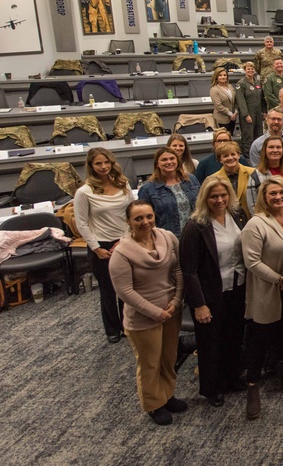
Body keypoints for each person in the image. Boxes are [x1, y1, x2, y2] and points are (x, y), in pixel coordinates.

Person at [109, 200, 185, 426]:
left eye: (149, 216)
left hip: (171, 309)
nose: (145, 222)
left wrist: (177, 301)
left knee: (168, 357)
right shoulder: (121, 253)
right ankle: (154, 404)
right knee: (149, 363)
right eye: (138, 218)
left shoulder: (168, 237)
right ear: (129, 222)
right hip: (143, 317)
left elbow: (179, 269)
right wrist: (155, 312)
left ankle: (168, 395)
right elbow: (125, 291)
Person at [179, 176, 248, 408]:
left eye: (223, 195)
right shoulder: (196, 225)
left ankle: (231, 378)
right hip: (210, 295)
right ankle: (212, 388)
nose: (219, 200)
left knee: (233, 338)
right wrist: (199, 304)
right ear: (204, 198)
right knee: (210, 344)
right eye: (214, 196)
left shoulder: (237, 216)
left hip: (237, 288)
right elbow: (189, 270)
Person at [242, 177, 283, 420]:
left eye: (282, 192)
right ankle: (252, 387)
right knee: (260, 338)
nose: (278, 197)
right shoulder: (255, 224)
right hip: (269, 288)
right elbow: (252, 262)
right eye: (272, 194)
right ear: (264, 197)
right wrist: (281, 279)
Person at [75, 148, 134, 343]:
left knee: (127, 288)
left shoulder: (123, 184)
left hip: (124, 241)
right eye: (98, 163)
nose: (103, 166)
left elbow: (131, 214)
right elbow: (81, 223)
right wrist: (96, 248)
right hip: (101, 246)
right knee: (108, 290)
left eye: (106, 162)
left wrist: (124, 240)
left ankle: (128, 325)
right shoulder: (84, 192)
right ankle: (112, 329)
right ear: (91, 166)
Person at [138, 148, 201, 237]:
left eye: (172, 158)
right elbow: (143, 217)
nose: (169, 162)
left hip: (195, 234)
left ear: (177, 161)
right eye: (164, 160)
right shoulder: (148, 188)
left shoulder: (191, 180)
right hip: (167, 238)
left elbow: (201, 206)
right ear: (157, 164)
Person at [247, 137, 283, 212]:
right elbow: (253, 205)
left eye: (278, 147)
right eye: (271, 147)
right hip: (268, 219)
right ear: (265, 150)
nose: (275, 150)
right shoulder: (255, 176)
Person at [212, 141, 255, 215]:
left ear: (238, 155)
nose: (230, 158)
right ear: (220, 160)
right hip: (227, 219)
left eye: (233, 154)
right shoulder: (213, 179)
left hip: (250, 219)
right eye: (225, 156)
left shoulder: (253, 173)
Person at [235, 62, 265, 157]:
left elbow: (262, 98)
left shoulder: (258, 82)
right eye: (248, 69)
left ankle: (258, 154)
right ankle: (247, 156)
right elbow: (241, 100)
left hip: (258, 112)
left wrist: (264, 112)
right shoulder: (241, 84)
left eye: (252, 69)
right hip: (248, 113)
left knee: (259, 133)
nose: (251, 70)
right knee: (248, 135)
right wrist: (246, 115)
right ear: (245, 70)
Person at [211, 68, 238, 134]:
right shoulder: (214, 90)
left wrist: (236, 112)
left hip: (232, 118)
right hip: (222, 120)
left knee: (230, 138)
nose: (223, 77)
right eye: (220, 75)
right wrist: (230, 114)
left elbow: (235, 100)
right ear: (216, 77)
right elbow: (218, 106)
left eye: (225, 75)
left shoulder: (230, 86)